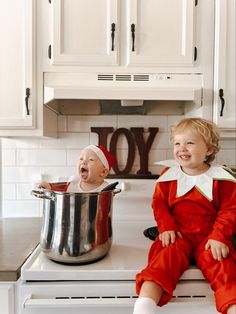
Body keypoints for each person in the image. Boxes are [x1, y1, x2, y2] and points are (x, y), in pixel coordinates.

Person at [133, 118, 236, 314]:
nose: (182, 148)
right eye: (177, 143)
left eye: (190, 143)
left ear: (209, 149)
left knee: (224, 268)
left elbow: (230, 209)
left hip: (210, 236)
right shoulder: (168, 176)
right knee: (162, 262)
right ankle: (144, 306)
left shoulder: (222, 179)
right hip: (178, 234)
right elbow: (159, 204)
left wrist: (219, 236)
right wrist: (166, 227)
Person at [39, 145, 116, 192]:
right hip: (70, 217)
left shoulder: (105, 190)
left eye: (91, 159)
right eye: (81, 158)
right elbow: (61, 188)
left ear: (103, 172)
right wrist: (49, 187)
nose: (84, 162)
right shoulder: (74, 181)